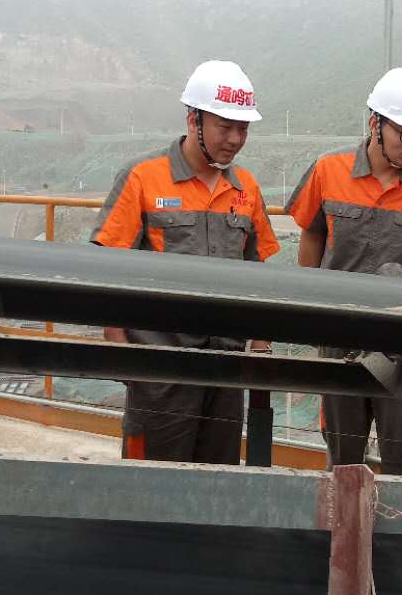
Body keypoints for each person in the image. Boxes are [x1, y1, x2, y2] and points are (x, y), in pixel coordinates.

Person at [286, 67, 402, 476]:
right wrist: (311, 309)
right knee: (343, 462)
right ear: (375, 123)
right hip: (341, 342)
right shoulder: (328, 171)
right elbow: (312, 235)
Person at [90, 59, 279, 465]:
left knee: (217, 480)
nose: (235, 139)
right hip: (159, 371)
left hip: (225, 372)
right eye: (225, 127)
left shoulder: (246, 188)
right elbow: (107, 266)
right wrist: (123, 354)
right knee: (151, 482)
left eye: (243, 129)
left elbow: (257, 270)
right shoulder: (143, 178)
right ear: (194, 120)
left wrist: (260, 346)